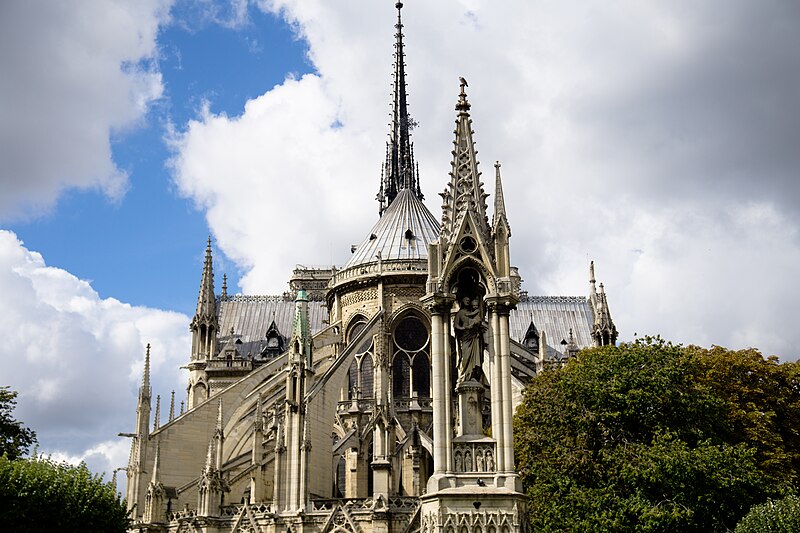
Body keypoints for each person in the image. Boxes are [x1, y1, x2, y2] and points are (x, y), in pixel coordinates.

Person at [453, 296, 486, 383]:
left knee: (474, 358)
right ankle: (464, 375)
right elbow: (456, 325)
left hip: (474, 337)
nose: (467, 301)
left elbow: (479, 322)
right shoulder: (460, 313)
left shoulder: (474, 312)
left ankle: (472, 375)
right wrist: (463, 328)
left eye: (469, 300)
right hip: (465, 337)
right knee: (465, 357)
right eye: (466, 300)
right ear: (462, 301)